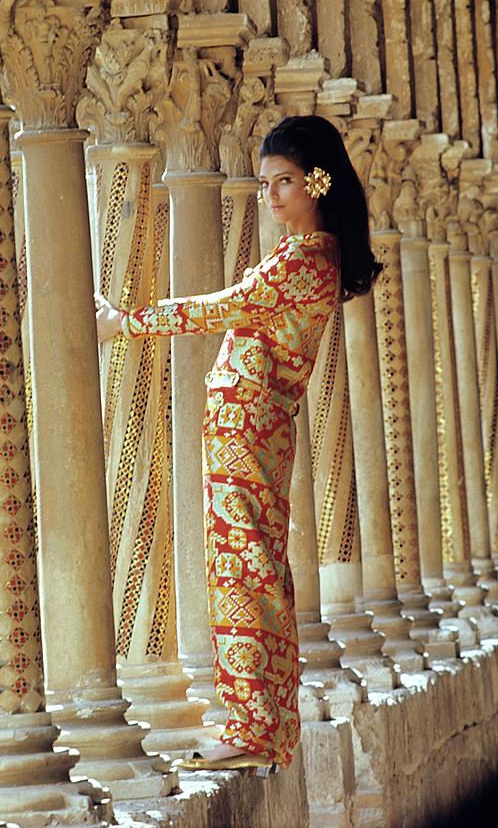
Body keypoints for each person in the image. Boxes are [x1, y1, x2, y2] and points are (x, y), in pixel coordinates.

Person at [95, 115, 381, 771]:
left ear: (318, 182)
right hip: (250, 427)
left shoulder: (308, 259)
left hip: (249, 429)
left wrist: (125, 323)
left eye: (285, 182)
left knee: (243, 570)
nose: (270, 195)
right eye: (264, 183)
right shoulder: (308, 254)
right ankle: (265, 726)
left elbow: (223, 307)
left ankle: (254, 728)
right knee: (255, 567)